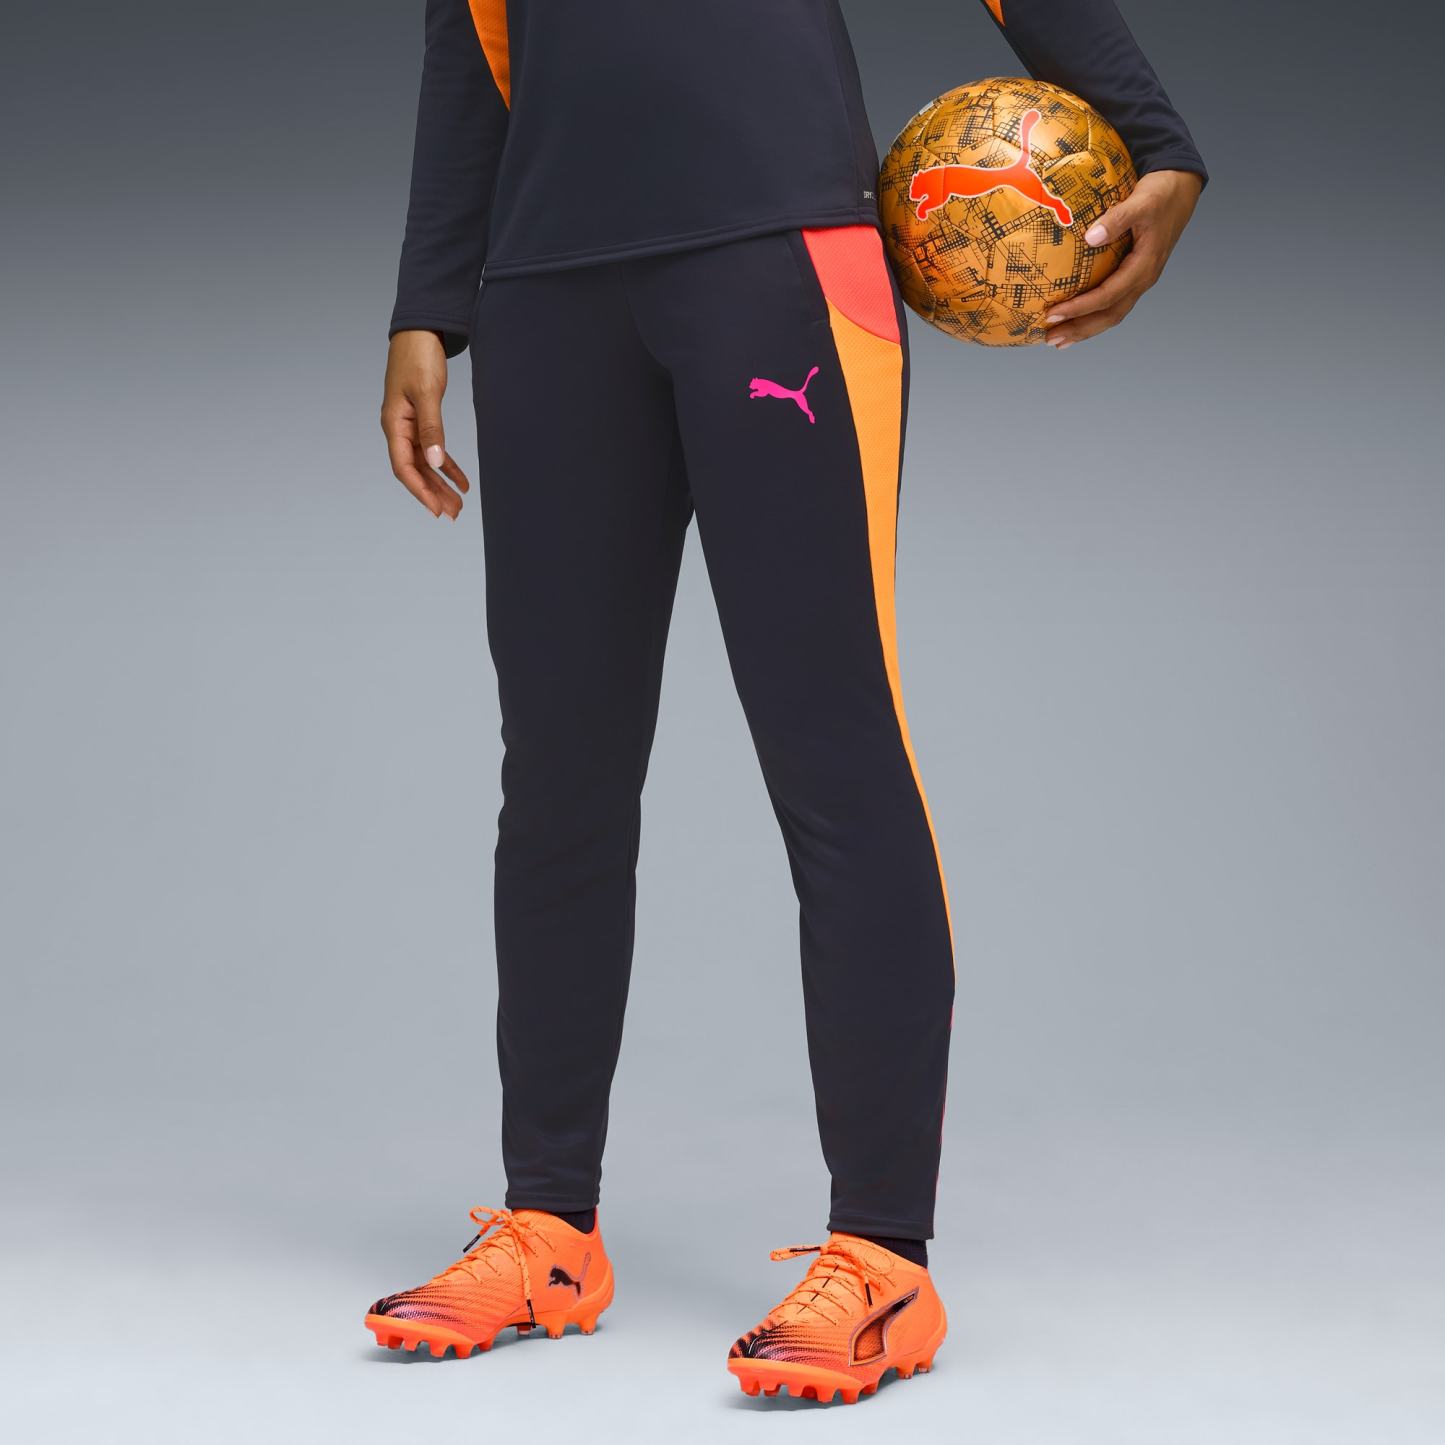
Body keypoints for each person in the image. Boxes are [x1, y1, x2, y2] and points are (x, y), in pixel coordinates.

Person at [367, 0, 1205, 1403]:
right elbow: (475, 28)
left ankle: (882, 1256)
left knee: (835, 754)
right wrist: (428, 297)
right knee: (558, 775)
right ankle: (548, 1228)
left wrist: (1159, 137)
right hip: (547, 284)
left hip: (780, 260)